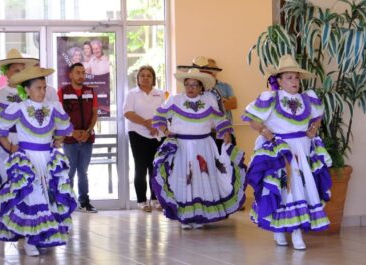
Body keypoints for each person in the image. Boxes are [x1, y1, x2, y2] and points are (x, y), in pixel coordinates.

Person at [242, 54, 332, 250]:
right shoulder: (271, 99)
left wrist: (314, 128)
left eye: (296, 77)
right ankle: (280, 230)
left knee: (301, 188)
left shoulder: (307, 99)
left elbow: (317, 116)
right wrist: (264, 131)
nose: (295, 81)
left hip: (302, 149)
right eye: (289, 77)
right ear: (279, 81)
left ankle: (297, 232)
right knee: (285, 189)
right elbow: (251, 119)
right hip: (281, 151)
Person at [0, 66, 77, 256]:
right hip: (28, 159)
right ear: (26, 89)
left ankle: (41, 236)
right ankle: (29, 240)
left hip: (47, 158)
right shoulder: (18, 108)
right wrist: (10, 147)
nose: (42, 91)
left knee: (48, 197)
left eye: (44, 87)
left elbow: (64, 128)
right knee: (32, 196)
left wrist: (57, 141)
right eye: (38, 88)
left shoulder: (53, 107)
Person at [152, 68, 246, 229]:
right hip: (182, 146)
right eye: (188, 84)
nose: (191, 88)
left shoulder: (209, 99)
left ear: (201, 87)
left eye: (195, 85)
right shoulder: (175, 100)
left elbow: (219, 119)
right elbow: (159, 117)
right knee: (185, 178)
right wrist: (167, 131)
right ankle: (185, 216)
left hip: (204, 146)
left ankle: (200, 214)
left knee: (201, 178)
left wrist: (226, 134)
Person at [0, 49, 58, 213]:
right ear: (6, 72)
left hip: (33, 146)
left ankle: (32, 219)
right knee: (9, 181)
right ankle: (9, 220)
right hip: (5, 148)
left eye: (22, 70)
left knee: (35, 182)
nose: (20, 73)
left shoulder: (33, 92)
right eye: (16, 70)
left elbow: (49, 119)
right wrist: (8, 146)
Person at [58, 62, 99, 213]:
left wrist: (88, 131)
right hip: (69, 139)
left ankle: (84, 202)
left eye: (83, 72)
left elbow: (95, 113)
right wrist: (73, 132)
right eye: (78, 72)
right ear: (70, 75)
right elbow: (60, 116)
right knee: (70, 171)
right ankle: (67, 202)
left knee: (83, 171)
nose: (81, 75)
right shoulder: (62, 92)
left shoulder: (90, 91)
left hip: (87, 138)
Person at [123, 65, 165, 212]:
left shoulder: (160, 94)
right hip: (137, 133)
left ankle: (155, 199)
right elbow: (128, 113)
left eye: (149, 75)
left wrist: (155, 127)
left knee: (155, 167)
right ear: (138, 78)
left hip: (157, 134)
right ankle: (142, 201)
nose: (145, 78)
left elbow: (164, 113)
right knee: (140, 167)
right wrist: (146, 123)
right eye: (142, 75)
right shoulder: (132, 94)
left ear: (153, 78)